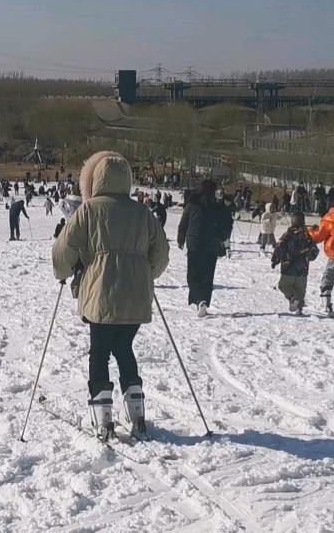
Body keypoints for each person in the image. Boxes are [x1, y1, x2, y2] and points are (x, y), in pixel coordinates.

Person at [52, 151, 169, 440]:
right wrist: (144, 273)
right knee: (124, 348)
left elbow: (64, 248)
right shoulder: (142, 212)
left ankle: (102, 415)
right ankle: (136, 410)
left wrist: (62, 272)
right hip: (136, 295)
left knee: (100, 351)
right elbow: (162, 254)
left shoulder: (90, 209)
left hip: (100, 294)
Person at [176, 179, 233, 317]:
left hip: (194, 243)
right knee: (207, 275)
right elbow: (226, 224)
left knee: (194, 274)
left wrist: (181, 239)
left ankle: (198, 299)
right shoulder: (217, 206)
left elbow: (183, 223)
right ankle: (203, 300)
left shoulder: (193, 204)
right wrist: (224, 240)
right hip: (211, 245)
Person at [271, 212, 319, 315]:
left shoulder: (288, 235)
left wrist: (276, 258)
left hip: (289, 267)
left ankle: (292, 298)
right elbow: (314, 250)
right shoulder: (307, 236)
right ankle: (299, 308)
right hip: (303, 269)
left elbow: (280, 247)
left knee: (283, 286)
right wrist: (310, 256)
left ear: (292, 221)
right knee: (301, 290)